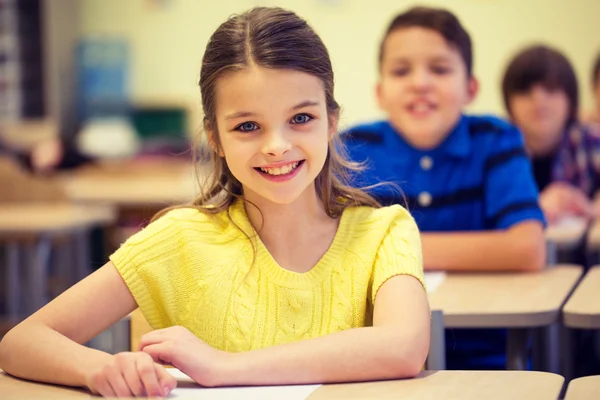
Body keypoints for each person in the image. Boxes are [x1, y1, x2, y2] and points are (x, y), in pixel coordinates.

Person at [0, 7, 430, 398]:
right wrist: (100, 368)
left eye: (301, 118)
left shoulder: (384, 231)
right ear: (215, 139)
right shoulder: (180, 239)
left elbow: (404, 347)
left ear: (331, 121)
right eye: (247, 126)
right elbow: (21, 341)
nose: (277, 146)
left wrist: (227, 367)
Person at [344, 6, 546, 272]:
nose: (420, 83)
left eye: (439, 69)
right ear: (380, 93)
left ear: (470, 89)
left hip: (484, 308)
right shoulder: (350, 148)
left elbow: (527, 249)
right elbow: (328, 248)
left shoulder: (496, 139)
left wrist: (384, 247)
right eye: (401, 71)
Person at [502, 45, 600, 223]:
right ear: (509, 104)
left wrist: (591, 208)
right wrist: (535, 208)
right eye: (525, 91)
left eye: (551, 89)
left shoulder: (591, 140)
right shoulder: (496, 150)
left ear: (571, 99)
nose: (539, 99)